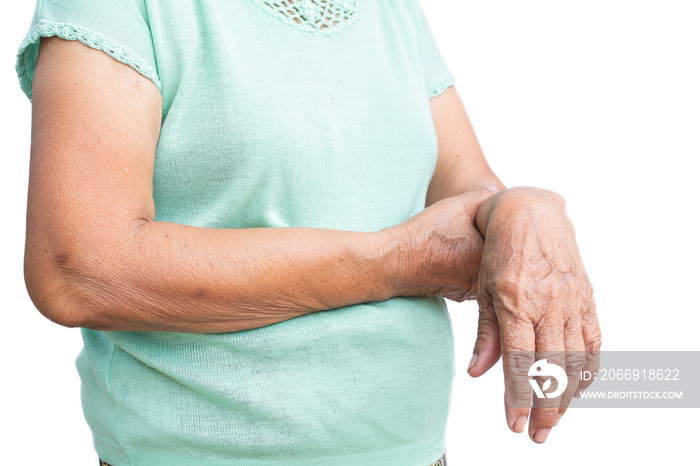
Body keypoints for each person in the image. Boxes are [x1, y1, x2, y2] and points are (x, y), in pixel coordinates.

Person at [16, 0, 601, 465]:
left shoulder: (388, 10)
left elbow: (467, 191)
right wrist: (394, 261)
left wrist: (528, 211)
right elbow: (78, 268)